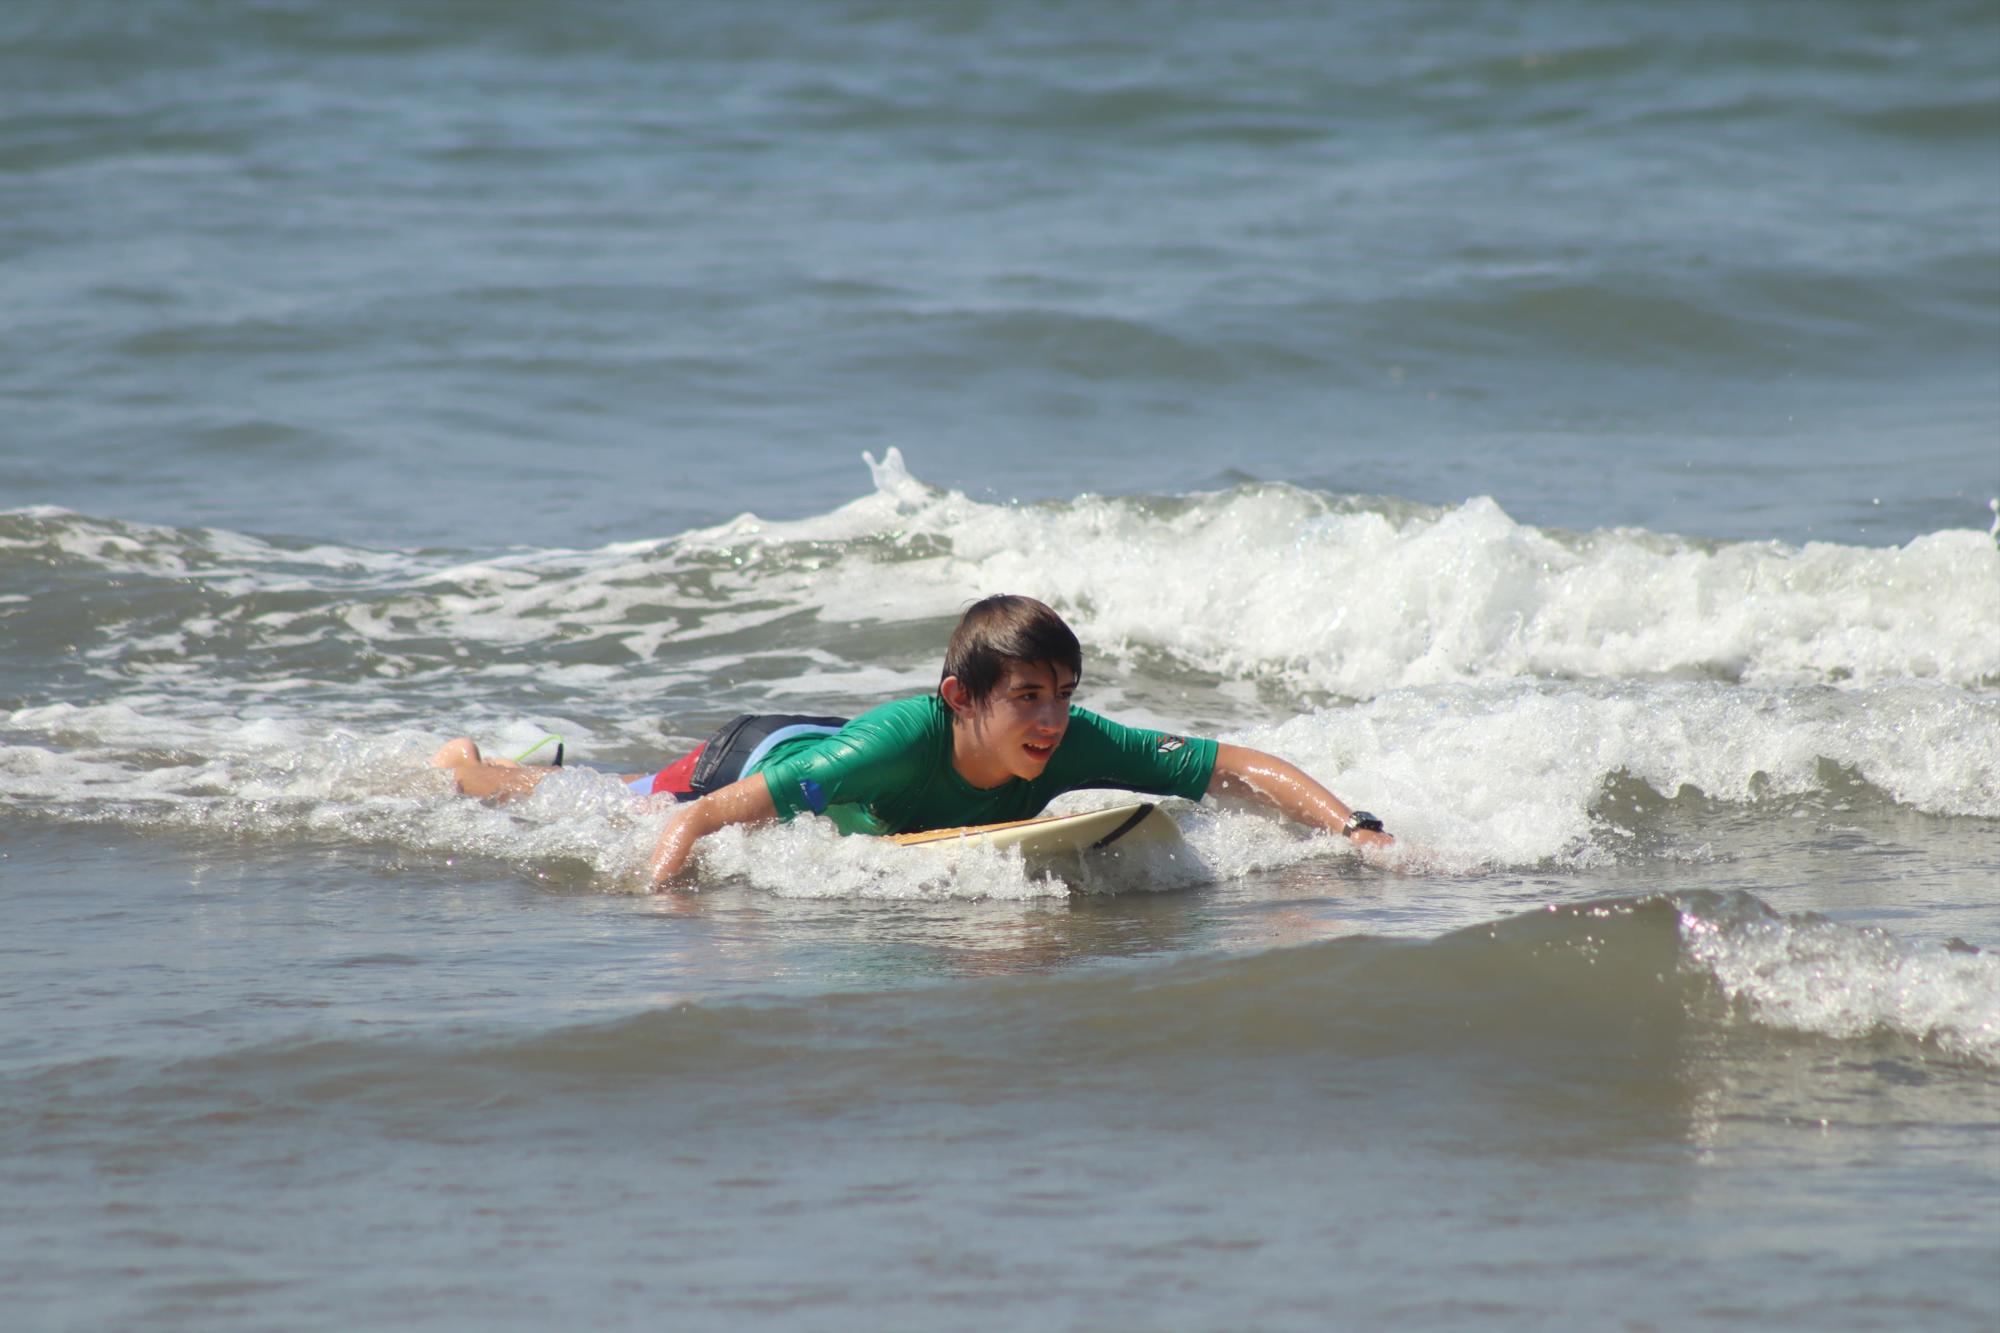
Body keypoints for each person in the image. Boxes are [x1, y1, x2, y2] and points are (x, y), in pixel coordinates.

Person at [432, 595, 1393, 891]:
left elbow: (1226, 766)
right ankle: (466, 764)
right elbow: (706, 820)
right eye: (1026, 697)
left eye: (1063, 695)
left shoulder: (1069, 740)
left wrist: (1353, 827)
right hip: (761, 757)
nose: (1051, 719)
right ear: (959, 699)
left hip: (820, 748)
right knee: (608, 799)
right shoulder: (889, 747)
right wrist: (668, 905)